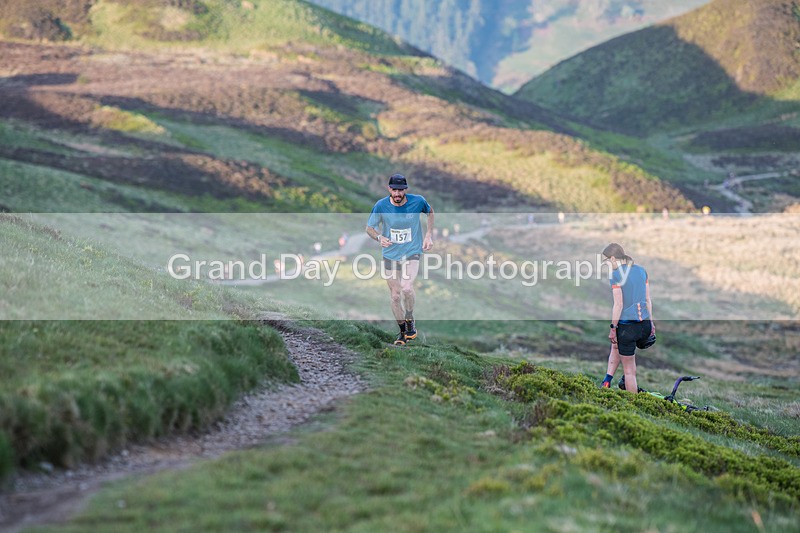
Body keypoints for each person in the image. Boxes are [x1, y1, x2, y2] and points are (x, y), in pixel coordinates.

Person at [366, 174, 434, 345]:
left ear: (405, 190)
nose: (397, 193)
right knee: (395, 296)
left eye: (400, 190)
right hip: (390, 255)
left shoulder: (417, 201)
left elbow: (430, 212)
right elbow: (369, 228)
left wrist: (428, 235)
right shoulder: (381, 205)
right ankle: (403, 332)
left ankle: (410, 317)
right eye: (394, 190)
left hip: (412, 252)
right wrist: (379, 238)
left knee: (407, 288)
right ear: (389, 189)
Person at [600, 243, 654, 393]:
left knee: (629, 372)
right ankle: (607, 380)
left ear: (612, 258)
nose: (607, 265)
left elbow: (618, 305)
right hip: (645, 325)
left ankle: (633, 407)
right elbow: (648, 300)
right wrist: (652, 324)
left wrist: (613, 328)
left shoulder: (615, 275)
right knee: (616, 344)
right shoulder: (642, 271)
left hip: (628, 328)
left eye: (606, 261)